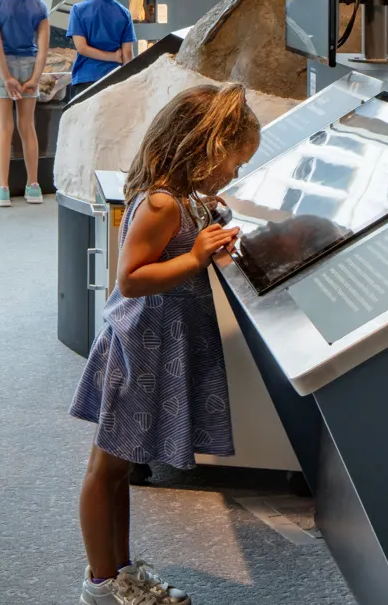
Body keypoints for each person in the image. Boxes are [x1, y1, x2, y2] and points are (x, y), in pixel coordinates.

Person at [71, 84, 260, 605]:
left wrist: (210, 227)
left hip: (157, 349)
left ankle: (121, 571)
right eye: (234, 163)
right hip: (138, 351)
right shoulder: (160, 204)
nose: (235, 174)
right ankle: (100, 584)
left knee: (122, 468)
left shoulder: (183, 200)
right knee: (105, 469)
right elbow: (130, 279)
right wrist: (195, 256)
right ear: (205, 149)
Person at [0, 0, 51, 207]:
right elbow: (43, 49)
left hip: (3, 67)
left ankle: (2, 190)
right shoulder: (39, 5)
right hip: (30, 66)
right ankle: (33, 187)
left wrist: (6, 77)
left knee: (4, 128)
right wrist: (34, 78)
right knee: (27, 127)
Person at [68, 0, 138, 90]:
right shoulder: (124, 13)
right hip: (115, 79)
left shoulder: (78, 10)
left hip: (86, 80)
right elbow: (127, 53)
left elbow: (82, 48)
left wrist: (112, 57)